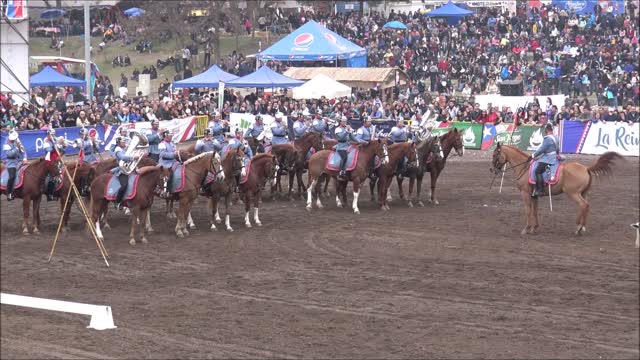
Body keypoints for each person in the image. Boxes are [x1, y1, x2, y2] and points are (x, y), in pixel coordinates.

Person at [529, 123, 559, 198]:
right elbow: (557, 149)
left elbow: (542, 149)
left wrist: (533, 155)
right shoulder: (556, 137)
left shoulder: (548, 139)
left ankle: (540, 190)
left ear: (546, 130)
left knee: (537, 171)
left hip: (548, 158)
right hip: (554, 156)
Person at [112, 136, 140, 210]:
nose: (124, 143)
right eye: (123, 142)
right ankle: (117, 202)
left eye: (124, 141)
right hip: (122, 170)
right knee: (124, 186)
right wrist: (133, 158)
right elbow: (123, 158)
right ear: (119, 143)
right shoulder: (117, 150)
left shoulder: (124, 149)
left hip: (130, 169)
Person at [3, 130, 27, 201]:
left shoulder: (18, 141)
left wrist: (25, 158)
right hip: (11, 163)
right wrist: (16, 148)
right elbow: (9, 154)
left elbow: (23, 151)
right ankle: (9, 193)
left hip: (19, 161)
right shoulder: (6, 144)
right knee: (12, 176)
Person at [42, 129, 66, 201]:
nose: (53, 136)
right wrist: (55, 145)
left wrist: (63, 146)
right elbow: (48, 150)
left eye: (53, 134)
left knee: (62, 174)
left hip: (57, 161)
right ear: (48, 135)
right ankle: (50, 194)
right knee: (51, 178)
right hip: (49, 162)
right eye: (51, 135)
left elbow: (62, 150)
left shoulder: (54, 141)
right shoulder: (46, 142)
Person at [158, 130, 177, 196]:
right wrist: (173, 154)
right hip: (165, 163)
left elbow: (175, 150)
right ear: (166, 136)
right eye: (170, 135)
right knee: (169, 175)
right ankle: (167, 190)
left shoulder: (172, 143)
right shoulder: (162, 144)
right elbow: (162, 154)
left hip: (173, 162)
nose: (171, 137)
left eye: (171, 135)